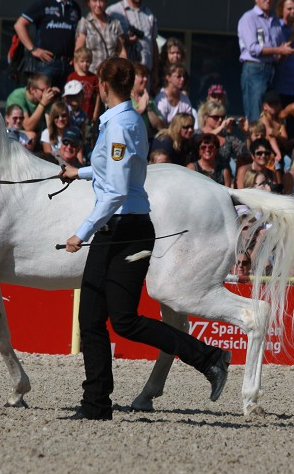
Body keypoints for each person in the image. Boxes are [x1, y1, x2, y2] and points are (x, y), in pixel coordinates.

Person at [59, 57, 230, 420]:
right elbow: (116, 169)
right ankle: (96, 403)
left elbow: (119, 190)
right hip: (116, 228)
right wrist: (81, 172)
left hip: (125, 229)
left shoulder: (120, 125)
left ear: (104, 86)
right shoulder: (122, 121)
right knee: (90, 317)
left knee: (123, 321)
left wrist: (82, 231)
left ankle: (210, 358)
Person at [237, 0, 294, 124]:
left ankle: (267, 144)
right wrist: (279, 50)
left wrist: (285, 51)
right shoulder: (249, 18)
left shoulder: (275, 21)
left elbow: (280, 48)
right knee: (255, 115)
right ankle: (255, 145)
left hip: (273, 69)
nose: (268, 0)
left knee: (272, 116)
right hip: (255, 69)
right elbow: (253, 49)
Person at [15, 0, 82, 89]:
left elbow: (79, 35)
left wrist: (76, 56)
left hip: (68, 65)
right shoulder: (43, 3)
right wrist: (33, 49)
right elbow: (19, 25)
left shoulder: (75, 7)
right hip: (47, 64)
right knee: (45, 100)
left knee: (66, 104)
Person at [106, 0, 158, 72]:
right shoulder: (113, 11)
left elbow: (153, 44)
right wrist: (125, 40)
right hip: (124, 72)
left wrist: (155, 72)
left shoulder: (149, 15)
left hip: (145, 74)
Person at [76, 0, 125, 74]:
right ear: (88, 3)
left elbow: (121, 51)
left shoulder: (114, 23)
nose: (98, 4)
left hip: (112, 75)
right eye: (94, 0)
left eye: (101, 0)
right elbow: (78, 54)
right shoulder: (84, 23)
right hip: (92, 75)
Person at [196, 99, 245, 173]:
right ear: (205, 117)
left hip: (223, 178)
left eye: (222, 117)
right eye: (216, 117)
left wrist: (246, 132)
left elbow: (244, 151)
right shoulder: (198, 133)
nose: (220, 120)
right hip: (201, 176)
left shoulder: (227, 137)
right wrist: (221, 127)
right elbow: (201, 140)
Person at [130, 62, 163, 139]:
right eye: (142, 76)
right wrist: (141, 110)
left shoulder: (149, 99)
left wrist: (148, 108)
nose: (146, 79)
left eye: (146, 76)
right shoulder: (124, 98)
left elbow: (160, 127)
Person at [68, 47, 101, 122]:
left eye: (88, 61)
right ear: (76, 62)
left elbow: (98, 96)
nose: (85, 64)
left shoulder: (94, 78)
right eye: (82, 61)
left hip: (89, 114)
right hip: (73, 115)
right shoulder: (72, 77)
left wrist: (96, 112)